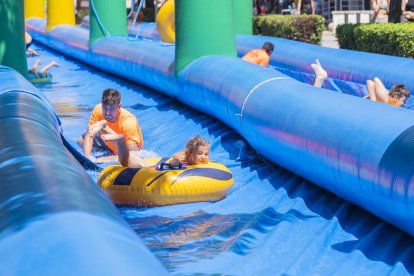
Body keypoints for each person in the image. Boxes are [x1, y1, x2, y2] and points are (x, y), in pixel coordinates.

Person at [77, 88, 144, 162]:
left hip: (125, 148)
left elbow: (134, 154)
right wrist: (88, 158)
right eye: (105, 108)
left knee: (130, 157)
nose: (107, 113)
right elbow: (89, 134)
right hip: (109, 142)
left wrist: (105, 159)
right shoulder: (98, 109)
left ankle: (114, 155)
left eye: (111, 109)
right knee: (81, 140)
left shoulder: (128, 121)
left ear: (119, 106)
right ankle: (110, 152)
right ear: (102, 104)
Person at [311, 59, 410, 107]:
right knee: (319, 105)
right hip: (354, 105)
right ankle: (320, 77)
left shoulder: (389, 100)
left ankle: (319, 77)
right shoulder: (386, 98)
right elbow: (372, 81)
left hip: (357, 103)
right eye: (403, 101)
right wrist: (373, 101)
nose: (404, 104)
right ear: (395, 98)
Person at [100, 134, 210, 168]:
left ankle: (113, 135)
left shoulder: (204, 165)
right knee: (125, 162)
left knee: (129, 158)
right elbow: (176, 158)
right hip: (151, 170)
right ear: (189, 154)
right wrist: (177, 160)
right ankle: (120, 140)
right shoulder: (183, 159)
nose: (204, 157)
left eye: (206, 154)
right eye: (199, 154)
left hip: (153, 166)